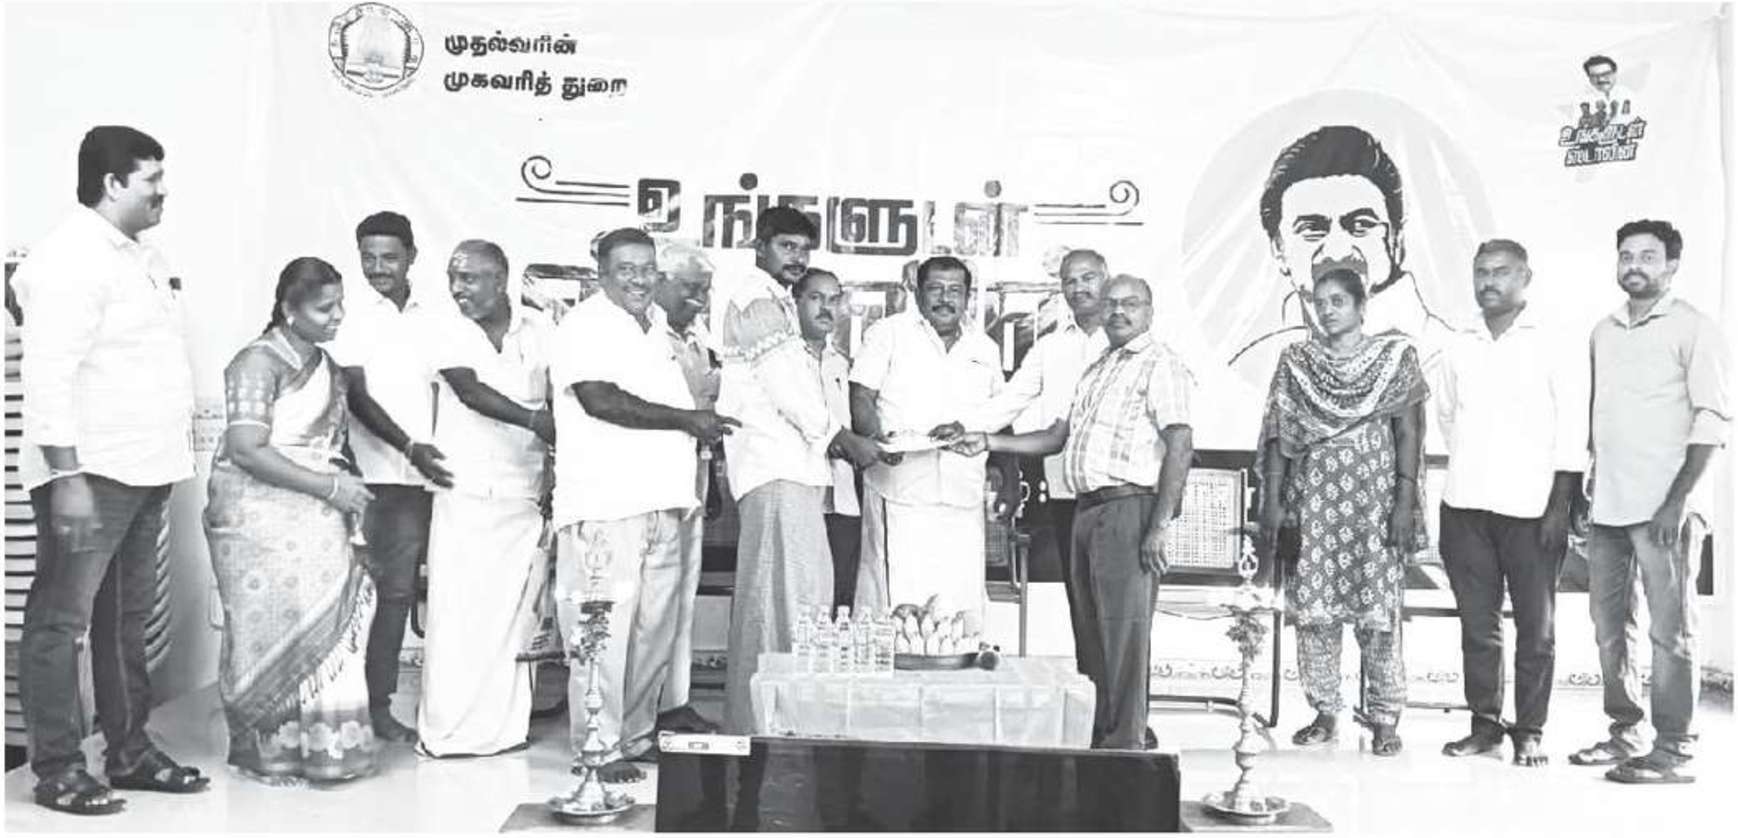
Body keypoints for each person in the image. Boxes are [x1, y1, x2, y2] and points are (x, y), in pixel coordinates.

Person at [14, 125, 210, 814]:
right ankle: (57, 769)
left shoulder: (141, 256)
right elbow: (48, 374)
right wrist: (65, 477)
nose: (163, 191)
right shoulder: (67, 259)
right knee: (58, 622)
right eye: (152, 178)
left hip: (145, 467)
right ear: (112, 183)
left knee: (126, 622)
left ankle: (128, 752)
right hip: (90, 473)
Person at [945, 275, 1193, 750]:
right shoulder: (1099, 369)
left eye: (1131, 304)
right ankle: (1099, 740)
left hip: (1128, 508)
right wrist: (988, 440)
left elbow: (1180, 443)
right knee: (1091, 636)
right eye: (1112, 303)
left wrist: (1159, 526)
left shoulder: (1160, 364)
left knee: (1123, 637)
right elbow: (1057, 437)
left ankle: (1126, 747)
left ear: (1150, 311)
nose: (1119, 312)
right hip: (1086, 511)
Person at [551, 227, 738, 780]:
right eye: (625, 269)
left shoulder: (656, 325)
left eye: (647, 269)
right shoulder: (584, 324)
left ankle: (633, 736)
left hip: (664, 499)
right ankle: (597, 748)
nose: (638, 279)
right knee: (601, 631)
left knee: (652, 630)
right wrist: (688, 420)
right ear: (601, 274)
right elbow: (599, 399)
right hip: (606, 505)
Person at [711, 208, 884, 736]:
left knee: (798, 597)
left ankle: (776, 720)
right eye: (787, 247)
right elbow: (788, 387)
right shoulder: (757, 299)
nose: (798, 258)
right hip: (776, 469)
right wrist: (842, 439)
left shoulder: (777, 299)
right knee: (781, 602)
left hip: (794, 471)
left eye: (804, 249)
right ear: (759, 246)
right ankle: (762, 727)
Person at [205, 257, 378, 784]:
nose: (337, 316)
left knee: (328, 624)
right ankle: (272, 752)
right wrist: (330, 488)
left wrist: (343, 489)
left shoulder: (326, 366)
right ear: (288, 309)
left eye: (340, 304)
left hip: (320, 517)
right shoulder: (257, 362)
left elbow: (332, 443)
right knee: (267, 627)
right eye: (325, 308)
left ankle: (328, 751)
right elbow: (246, 449)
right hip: (258, 519)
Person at [1574, 220, 1728, 784]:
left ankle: (1675, 748)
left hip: (1667, 509)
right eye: (1626, 255)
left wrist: (1677, 503)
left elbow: (1712, 420)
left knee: (1671, 631)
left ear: (1672, 266)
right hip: (1609, 507)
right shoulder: (1604, 331)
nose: (1634, 265)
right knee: (1609, 627)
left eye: (1647, 256)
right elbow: (1600, 419)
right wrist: (1589, 487)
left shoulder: (1694, 328)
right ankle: (1627, 732)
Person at [1253, 267, 1428, 758]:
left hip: (1374, 503)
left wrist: (1404, 501)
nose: (1327, 311)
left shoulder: (1394, 358)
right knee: (1315, 612)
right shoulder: (1297, 362)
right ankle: (1325, 712)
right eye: (1320, 302)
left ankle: (1385, 718)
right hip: (1314, 503)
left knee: (1379, 615)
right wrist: (1274, 502)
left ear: (1361, 305)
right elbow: (1278, 435)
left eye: (1338, 301)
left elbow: (1408, 432)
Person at [1434, 240, 1584, 767]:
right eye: (1481, 272)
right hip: (1466, 505)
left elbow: (1573, 427)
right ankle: (1485, 726)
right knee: (1478, 627)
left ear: (1526, 277)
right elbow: (1447, 416)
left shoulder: (1553, 341)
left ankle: (1530, 730)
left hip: (1533, 511)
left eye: (1500, 272)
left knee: (1536, 629)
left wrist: (1560, 506)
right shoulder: (1459, 342)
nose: (1488, 282)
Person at [415, 241, 555, 758]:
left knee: (512, 615)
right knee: (457, 615)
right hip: (467, 489)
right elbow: (469, 391)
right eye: (454, 278)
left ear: (501, 279)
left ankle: (503, 730)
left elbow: (561, 392)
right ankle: (447, 734)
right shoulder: (444, 327)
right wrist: (537, 421)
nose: (459, 289)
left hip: (524, 491)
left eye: (470, 279)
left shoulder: (540, 330)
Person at [327, 211, 455, 743]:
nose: (378, 268)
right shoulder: (350, 314)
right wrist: (407, 446)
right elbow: (354, 394)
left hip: (428, 478)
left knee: (399, 594)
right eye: (369, 258)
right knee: (362, 596)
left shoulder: (436, 314)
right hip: (372, 474)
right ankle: (348, 709)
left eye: (389, 258)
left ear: (412, 258)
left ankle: (378, 706)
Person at [964, 247, 1110, 668]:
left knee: (1120, 610)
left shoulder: (1128, 341)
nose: (1079, 288)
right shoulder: (1051, 347)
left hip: (1120, 494)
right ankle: (1094, 698)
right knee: (1081, 604)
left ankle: (1127, 705)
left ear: (1106, 278)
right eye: (1070, 280)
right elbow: (1009, 402)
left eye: (1088, 277)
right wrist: (959, 427)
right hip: (1067, 491)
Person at [1231, 125, 1463, 387]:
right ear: (1279, 249)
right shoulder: (1252, 371)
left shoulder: (1453, 362)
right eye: (1312, 229)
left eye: (1361, 225)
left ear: (1397, 241)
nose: (1338, 251)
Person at [851, 256, 1002, 622]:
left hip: (962, 493)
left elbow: (998, 416)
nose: (945, 299)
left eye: (955, 291)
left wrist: (1008, 476)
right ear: (917, 293)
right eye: (935, 289)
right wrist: (876, 439)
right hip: (901, 489)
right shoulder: (888, 334)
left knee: (958, 608)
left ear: (967, 297)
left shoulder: (984, 348)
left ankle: (957, 659)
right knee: (895, 606)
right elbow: (861, 395)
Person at [647, 240, 721, 735]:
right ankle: (642, 710)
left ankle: (673, 703)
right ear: (659, 280)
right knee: (650, 603)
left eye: (705, 289)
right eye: (691, 287)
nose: (700, 298)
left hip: (693, 474)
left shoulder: (698, 339)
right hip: (650, 482)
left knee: (680, 597)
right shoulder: (643, 336)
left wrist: (708, 481)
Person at [794, 268, 864, 608]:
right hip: (801, 494)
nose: (826, 309)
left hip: (843, 497)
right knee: (800, 596)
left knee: (840, 597)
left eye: (834, 300)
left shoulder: (843, 364)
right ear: (795, 302)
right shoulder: (783, 361)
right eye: (816, 298)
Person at [1581, 54, 1637, 126]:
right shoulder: (1582, 99)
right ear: (1589, 78)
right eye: (1594, 76)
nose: (1601, 79)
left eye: (1605, 74)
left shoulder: (1629, 95)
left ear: (1615, 73)